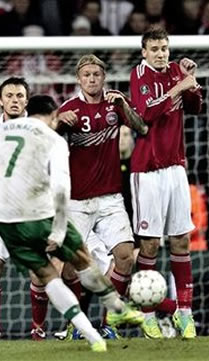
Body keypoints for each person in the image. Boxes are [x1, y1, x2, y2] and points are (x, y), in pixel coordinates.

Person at [0, 94, 144, 352]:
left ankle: (93, 337)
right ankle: (116, 307)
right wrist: (58, 228)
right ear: (53, 115)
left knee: (47, 276)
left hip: (3, 221)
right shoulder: (53, 139)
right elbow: (60, 186)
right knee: (82, 259)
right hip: (37, 214)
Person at [57, 54, 148, 339]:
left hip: (110, 199)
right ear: (79, 79)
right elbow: (46, 142)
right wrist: (58, 122)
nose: (92, 79)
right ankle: (77, 322)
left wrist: (124, 106)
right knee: (70, 266)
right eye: (87, 75)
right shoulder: (69, 109)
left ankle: (109, 323)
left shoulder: (114, 104)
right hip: (77, 202)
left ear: (103, 77)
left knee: (124, 258)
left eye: (97, 74)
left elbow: (141, 127)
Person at [129, 26, 202, 339]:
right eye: (154, 49)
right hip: (147, 171)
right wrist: (177, 88)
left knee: (181, 240)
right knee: (149, 244)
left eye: (164, 48)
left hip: (175, 169)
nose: (160, 54)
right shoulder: (139, 75)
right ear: (144, 52)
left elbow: (196, 108)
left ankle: (184, 314)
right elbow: (145, 114)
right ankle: (147, 316)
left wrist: (191, 85)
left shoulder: (176, 71)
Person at [0, 77, 51, 342]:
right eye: (9, 95)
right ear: (0, 100)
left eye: (19, 96)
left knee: (37, 273)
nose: (14, 100)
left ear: (26, 101)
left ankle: (38, 328)